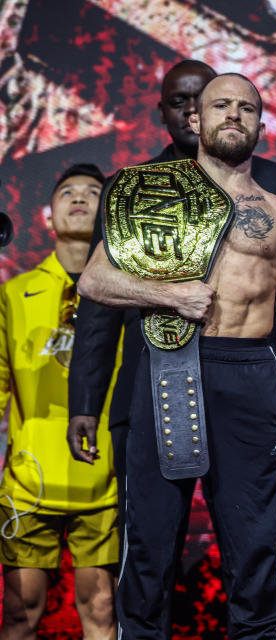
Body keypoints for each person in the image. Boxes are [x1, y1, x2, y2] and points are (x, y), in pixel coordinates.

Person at [77, 73, 276, 638]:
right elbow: (94, 281)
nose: (234, 115)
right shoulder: (150, 192)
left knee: (257, 545)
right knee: (149, 545)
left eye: (247, 108)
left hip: (249, 374)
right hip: (168, 368)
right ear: (195, 119)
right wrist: (167, 294)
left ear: (262, 127)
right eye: (222, 105)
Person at [0, 164, 117, 640]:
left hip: (104, 476)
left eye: (93, 192)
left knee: (102, 609)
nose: (80, 198)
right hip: (29, 479)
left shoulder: (125, 295)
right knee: (20, 611)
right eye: (67, 191)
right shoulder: (14, 292)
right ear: (47, 215)